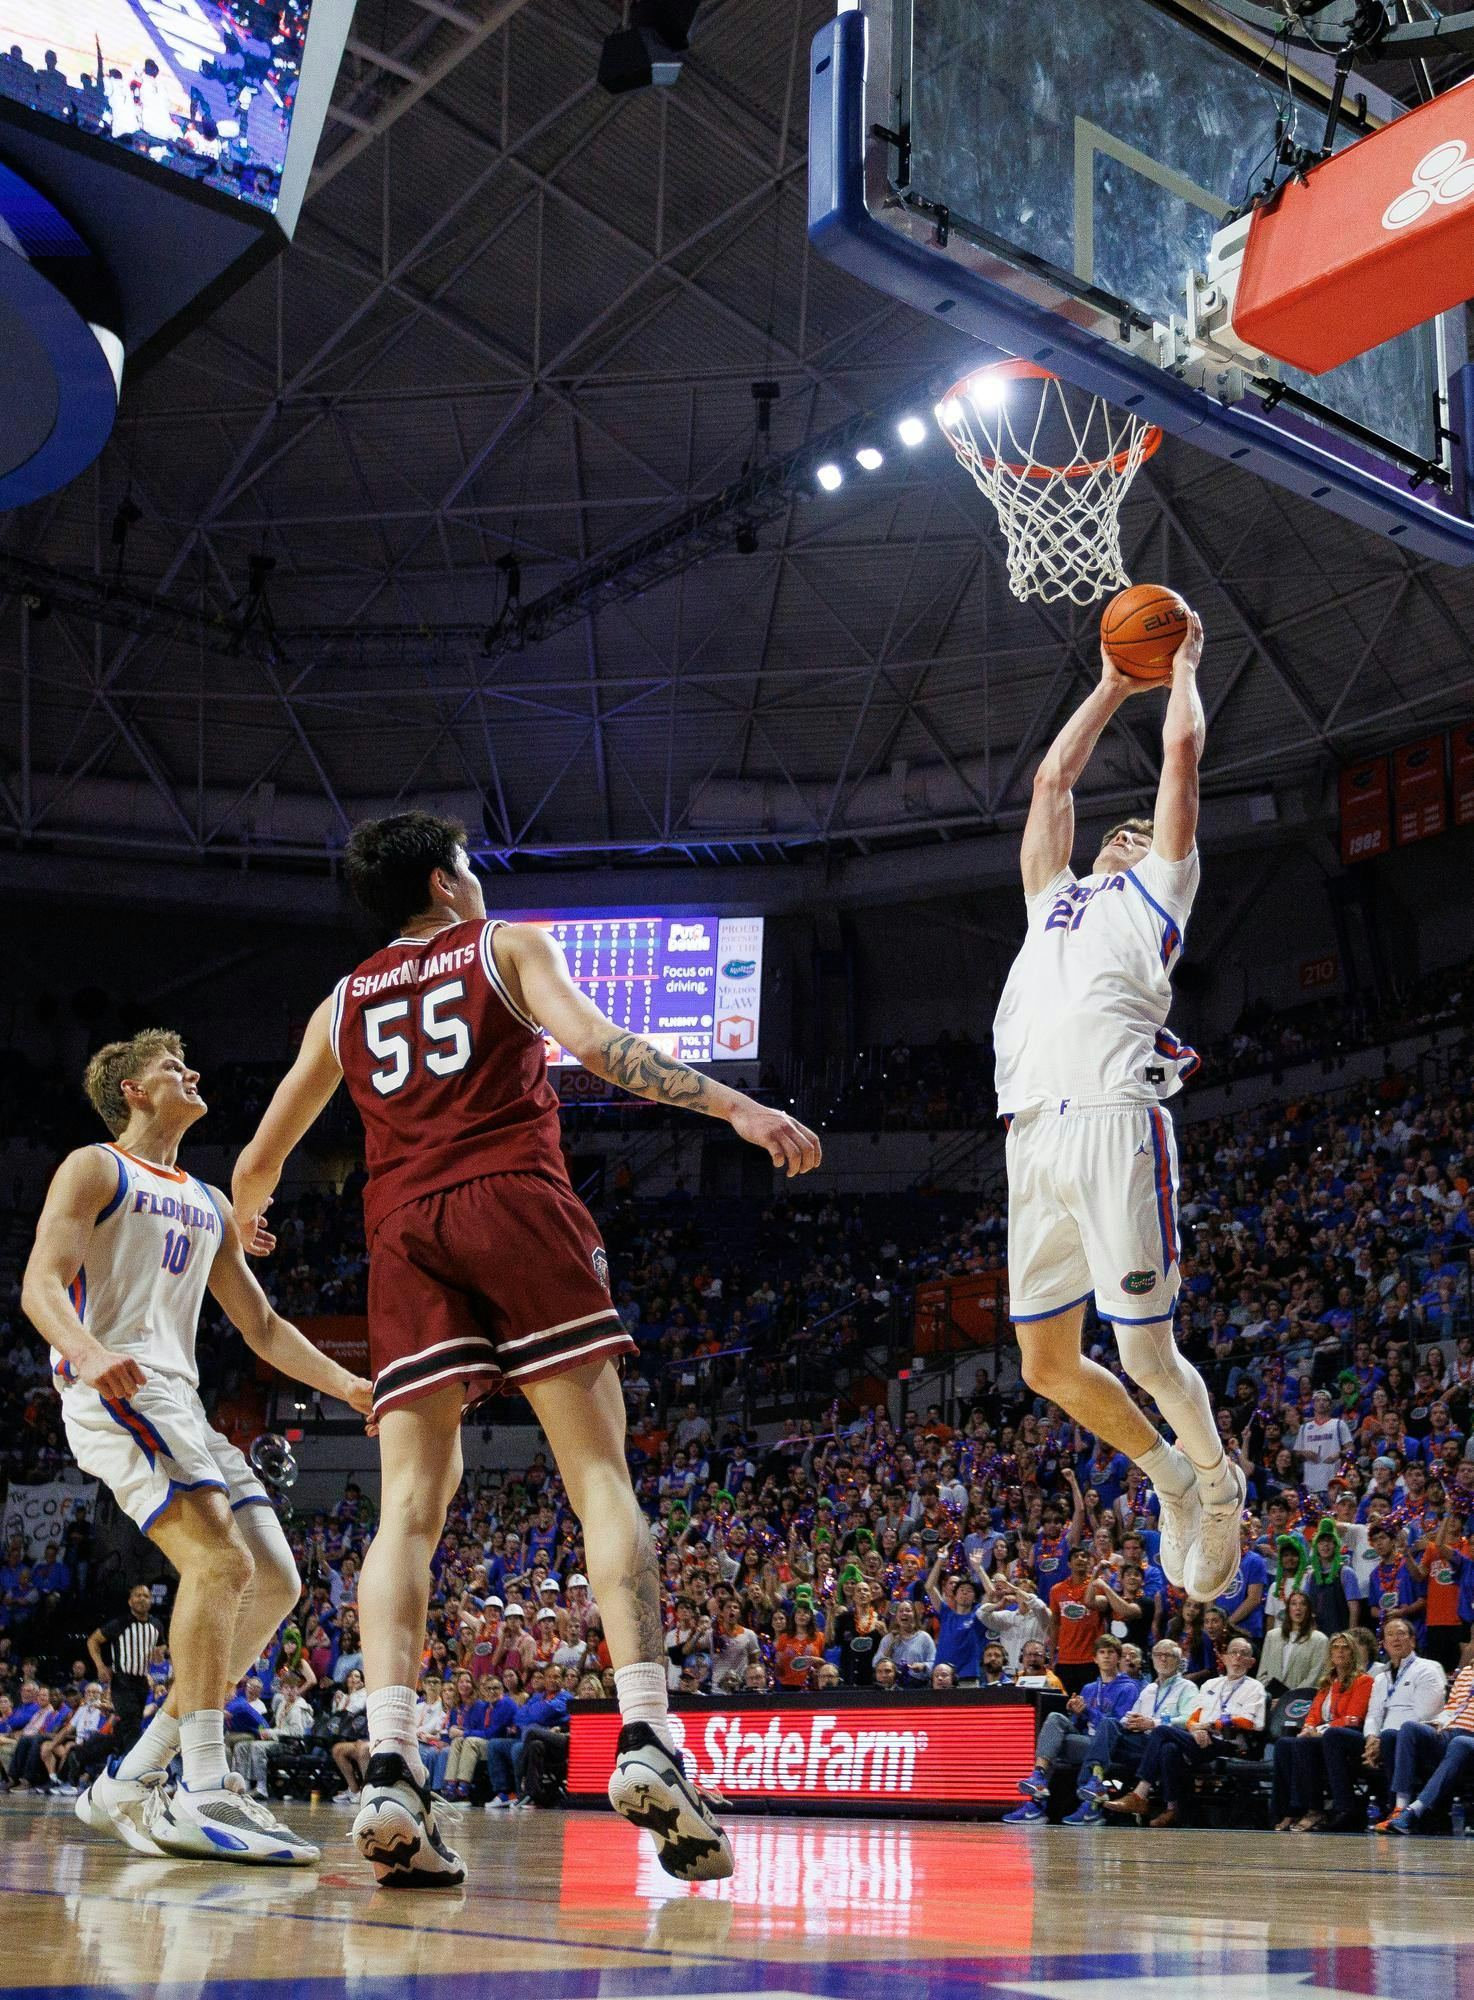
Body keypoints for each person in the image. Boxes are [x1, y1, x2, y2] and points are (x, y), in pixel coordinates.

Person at [231, 812, 820, 1887]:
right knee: (598, 1473)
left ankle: (394, 1760)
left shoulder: (341, 1002)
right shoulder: (505, 944)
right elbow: (600, 1049)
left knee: (405, 1504)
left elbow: (264, 1151)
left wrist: (252, 1214)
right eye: (470, 864)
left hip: (401, 1230)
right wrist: (736, 1104)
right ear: (446, 881)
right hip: (512, 1198)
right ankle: (648, 1733)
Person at [21, 1028, 374, 1866]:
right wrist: (86, 1347)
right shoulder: (94, 1167)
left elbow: (261, 1327)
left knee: (275, 1582)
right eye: (172, 1069)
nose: (193, 1073)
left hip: (182, 1400)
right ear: (134, 1093)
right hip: (115, 1388)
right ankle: (205, 1786)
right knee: (219, 1564)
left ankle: (132, 1778)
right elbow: (39, 1281)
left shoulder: (209, 1201)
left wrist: (352, 1387)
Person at [992, 612, 1246, 1607]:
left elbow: (1180, 751)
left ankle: (1219, 1481)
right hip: (1029, 1133)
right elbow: (1052, 783)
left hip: (1109, 1118)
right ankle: (1169, 1475)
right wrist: (1106, 682)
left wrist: (1177, 667)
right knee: (1045, 1362)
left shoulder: (1157, 893)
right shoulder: (1049, 896)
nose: (1125, 833)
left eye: (1139, 832)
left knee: (1142, 1345)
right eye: (1119, 831)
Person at [1102, 1634, 1266, 1829]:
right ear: (1225, 1657)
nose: (1238, 1657)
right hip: (1202, 1739)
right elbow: (1193, 1717)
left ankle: (1139, 1794)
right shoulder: (1210, 1684)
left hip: (1229, 1744)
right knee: (1169, 1748)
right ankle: (1173, 1809)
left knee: (1162, 1730)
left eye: (1243, 1654)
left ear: (1251, 1662)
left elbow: (1250, 1722)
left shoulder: (1255, 1687)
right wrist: (1195, 1728)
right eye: (1233, 1652)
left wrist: (1209, 1725)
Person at [1063, 1637, 1197, 1825]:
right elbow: (1130, 1717)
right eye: (1159, 1655)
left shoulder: (1187, 1687)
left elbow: (1189, 1720)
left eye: (1169, 1655)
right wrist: (1130, 1723)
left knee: (1165, 1744)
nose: (1163, 1660)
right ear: (1153, 1659)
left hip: (1161, 1742)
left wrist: (1152, 1723)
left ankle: (1091, 1789)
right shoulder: (1148, 1689)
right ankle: (1092, 1782)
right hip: (1140, 1742)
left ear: (1179, 1661)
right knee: (1111, 1723)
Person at [1321, 1615, 1445, 1819]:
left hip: (1414, 1737)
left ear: (1412, 1641)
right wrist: (1371, 1738)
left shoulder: (1428, 1669)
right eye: (1390, 1635)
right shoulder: (1380, 1677)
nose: (1395, 1639)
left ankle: (1394, 1808)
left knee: (1390, 1737)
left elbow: (1425, 1713)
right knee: (1334, 1735)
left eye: (1401, 1634)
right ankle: (1345, 1808)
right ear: (1383, 1644)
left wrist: (1383, 1737)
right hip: (1381, 1738)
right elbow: (1373, 1714)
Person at [1006, 1635, 1139, 1823]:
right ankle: (1038, 1778)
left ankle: (1036, 1807)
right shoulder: (1089, 1687)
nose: (1106, 1656)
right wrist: (1074, 1711)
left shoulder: (1129, 1687)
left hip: (1111, 1746)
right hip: (1085, 1740)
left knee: (1053, 1745)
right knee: (1055, 1718)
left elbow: (1118, 1726)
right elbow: (1077, 1724)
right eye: (1102, 1652)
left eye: (1111, 1652)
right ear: (1095, 1659)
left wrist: (1088, 1711)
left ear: (1118, 1657)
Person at [1270, 1631, 1370, 1833]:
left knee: (1303, 1743)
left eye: (1345, 1647)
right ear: (1330, 1654)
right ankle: (1289, 1809)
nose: (1340, 1651)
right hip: (1323, 1737)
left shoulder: (1363, 1681)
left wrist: (1319, 1731)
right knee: (1284, 1744)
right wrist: (1308, 1728)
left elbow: (1354, 1718)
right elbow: (1314, 1714)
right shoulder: (1326, 1683)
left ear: (1353, 1653)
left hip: (1348, 1736)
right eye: (1336, 1647)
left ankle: (1314, 1808)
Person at [1376, 1652, 1474, 1834]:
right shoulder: (1467, 1672)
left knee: (1460, 1743)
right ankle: (1400, 1807)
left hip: (1469, 1738)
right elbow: (1452, 1707)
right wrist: (1440, 1721)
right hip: (1451, 1730)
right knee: (1409, 1728)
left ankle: (1414, 1811)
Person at [86, 1585, 161, 1756]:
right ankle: (133, 1768)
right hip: (122, 1680)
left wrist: (159, 1654)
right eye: (137, 1595)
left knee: (125, 1727)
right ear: (130, 1601)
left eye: (146, 1596)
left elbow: (161, 1647)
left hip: (143, 1681)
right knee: (131, 1723)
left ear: (150, 1601)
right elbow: (93, 1641)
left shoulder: (156, 1624)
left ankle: (88, 1754)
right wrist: (100, 1665)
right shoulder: (119, 1623)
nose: (142, 1598)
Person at [1258, 1590, 1331, 1696]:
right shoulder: (1272, 1636)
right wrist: (1268, 1697)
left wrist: (1287, 1699)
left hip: (1300, 1703)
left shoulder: (1320, 1640)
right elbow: (1262, 1674)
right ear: (1288, 1609)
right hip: (1270, 1700)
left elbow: (1315, 1678)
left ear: (1309, 1610)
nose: (1298, 1608)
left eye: (1303, 1604)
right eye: (1294, 1603)